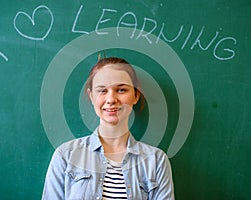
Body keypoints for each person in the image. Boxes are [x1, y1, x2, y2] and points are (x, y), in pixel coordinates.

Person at [42, 57, 175, 200]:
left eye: (121, 90)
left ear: (135, 95)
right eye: (102, 90)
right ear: (91, 96)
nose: (111, 99)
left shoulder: (156, 161)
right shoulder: (65, 156)